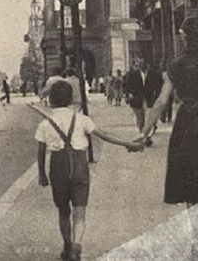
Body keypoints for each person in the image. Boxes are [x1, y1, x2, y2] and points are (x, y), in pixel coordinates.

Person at [36, 81, 144, 261]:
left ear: (52, 99)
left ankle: (67, 244)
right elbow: (104, 135)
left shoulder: (45, 123)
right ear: (71, 99)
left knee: (63, 210)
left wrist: (42, 175)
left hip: (58, 166)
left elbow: (40, 151)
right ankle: (77, 246)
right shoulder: (81, 118)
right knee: (80, 209)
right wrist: (128, 143)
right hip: (79, 164)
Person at [140, 16, 198, 208]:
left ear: (185, 38)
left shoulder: (178, 64)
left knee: (191, 184)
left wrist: (144, 132)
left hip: (188, 123)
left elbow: (161, 101)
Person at [124, 60, 162, 146]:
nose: (140, 65)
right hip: (137, 99)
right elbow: (127, 85)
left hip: (150, 99)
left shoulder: (154, 74)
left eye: (142, 63)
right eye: (139, 63)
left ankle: (147, 135)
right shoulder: (133, 74)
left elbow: (159, 85)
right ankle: (144, 136)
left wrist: (157, 94)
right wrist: (129, 94)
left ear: (147, 64)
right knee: (140, 118)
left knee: (150, 118)